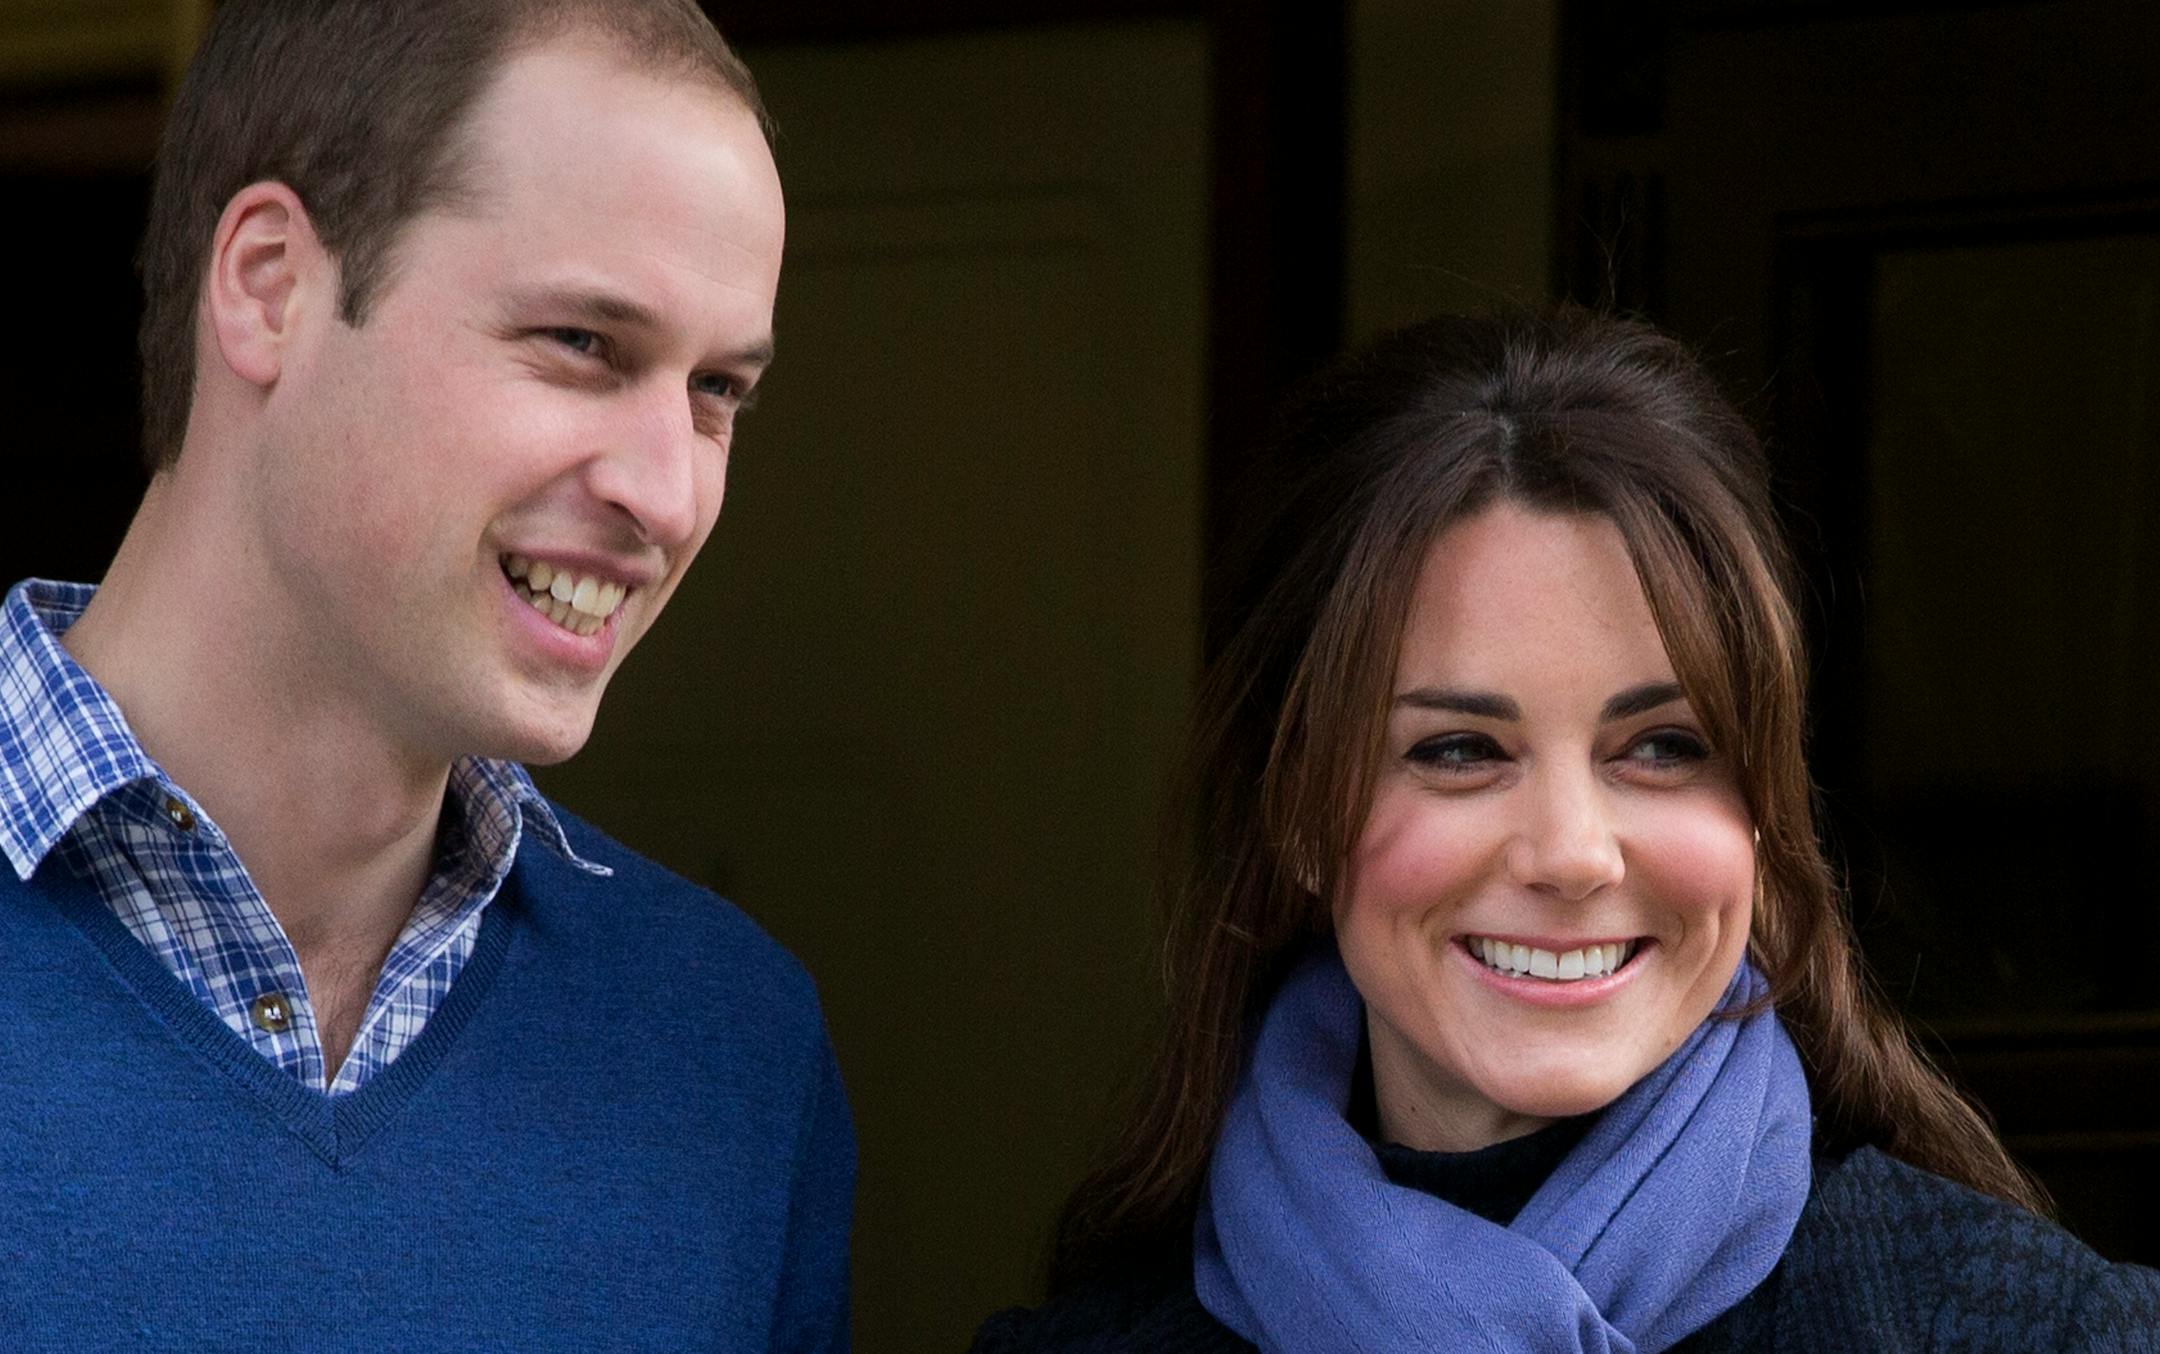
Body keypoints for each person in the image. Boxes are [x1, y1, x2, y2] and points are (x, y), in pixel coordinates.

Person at [973, 307, 2160, 1352]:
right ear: (1295, 809)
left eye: (1664, 746)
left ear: (1762, 812)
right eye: (1457, 751)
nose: (1574, 853)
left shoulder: (2030, 1328)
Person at [0, 1, 850, 1348]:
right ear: (271, 285)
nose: (670, 493)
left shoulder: (728, 1055)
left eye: (715, 392)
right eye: (584, 344)